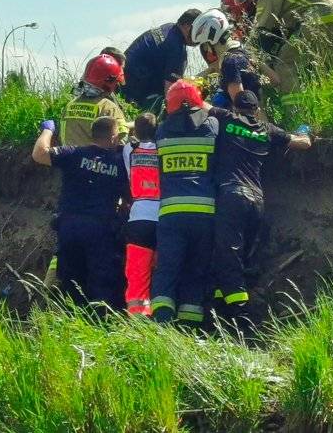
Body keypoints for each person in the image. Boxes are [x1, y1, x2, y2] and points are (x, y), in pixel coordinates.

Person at [209, 90, 312, 320]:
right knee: (247, 252)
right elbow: (303, 143)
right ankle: (234, 299)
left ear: (235, 107)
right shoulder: (267, 129)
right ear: (256, 110)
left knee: (228, 250)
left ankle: (236, 310)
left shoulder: (226, 119)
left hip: (231, 195)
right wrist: (305, 129)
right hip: (256, 199)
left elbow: (201, 106)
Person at [31, 116, 129, 309]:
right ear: (112, 137)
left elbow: (39, 154)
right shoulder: (119, 163)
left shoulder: (74, 153)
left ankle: (72, 316)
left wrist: (48, 130)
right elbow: (129, 196)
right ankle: (100, 319)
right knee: (102, 282)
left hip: (70, 227)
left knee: (71, 280)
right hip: (101, 230)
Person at [150, 80, 218, 325]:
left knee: (167, 268)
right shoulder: (212, 125)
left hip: (171, 212)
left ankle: (162, 321)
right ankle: (190, 324)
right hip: (205, 211)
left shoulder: (161, 131)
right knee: (196, 268)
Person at [191, 8, 275, 107]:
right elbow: (275, 80)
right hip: (262, 112)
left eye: (204, 45)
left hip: (252, 116)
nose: (206, 49)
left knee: (219, 101)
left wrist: (200, 103)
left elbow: (242, 107)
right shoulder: (243, 51)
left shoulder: (229, 63)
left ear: (210, 41)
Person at [120, 9, 202, 111]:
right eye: (199, 30)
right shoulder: (177, 48)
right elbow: (171, 92)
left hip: (122, 83)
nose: (201, 36)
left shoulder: (168, 28)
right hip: (136, 94)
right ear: (187, 26)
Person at [122, 113, 160, 315]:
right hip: (164, 216)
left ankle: (137, 316)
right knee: (161, 270)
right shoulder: (165, 150)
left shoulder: (130, 149)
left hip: (139, 217)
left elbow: (124, 131)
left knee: (137, 274)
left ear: (136, 131)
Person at [59, 54, 129, 146]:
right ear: (109, 82)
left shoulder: (69, 105)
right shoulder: (109, 108)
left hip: (69, 155)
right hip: (97, 156)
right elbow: (121, 140)